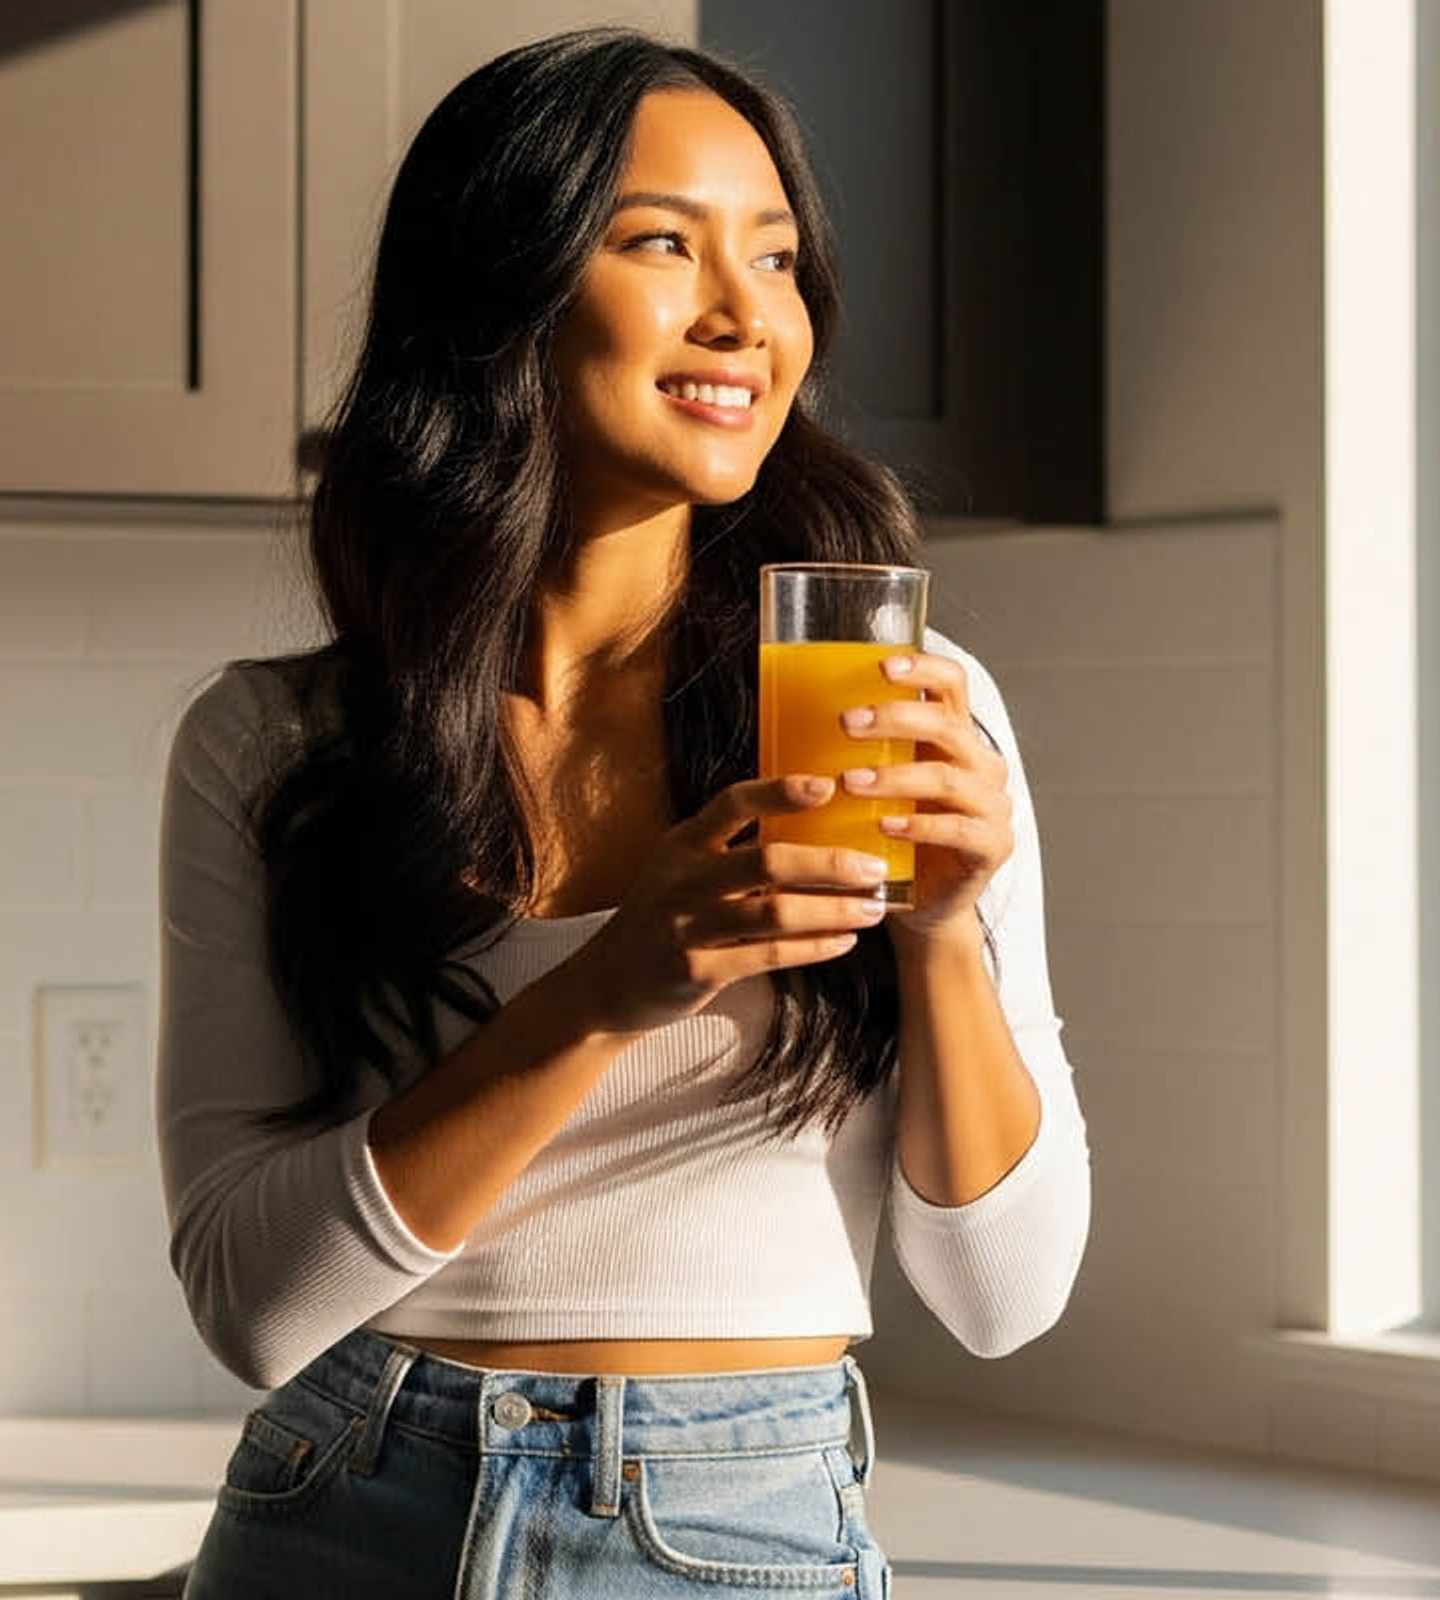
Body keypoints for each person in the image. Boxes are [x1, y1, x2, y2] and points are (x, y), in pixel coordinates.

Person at [154, 27, 1089, 1596]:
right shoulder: (276, 741)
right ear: (501, 292)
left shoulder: (900, 705)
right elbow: (252, 1310)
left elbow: (1007, 1293)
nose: (748, 316)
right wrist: (605, 992)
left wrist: (941, 934)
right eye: (664, 242)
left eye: (779, 259)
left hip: (731, 1512)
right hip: (339, 1493)